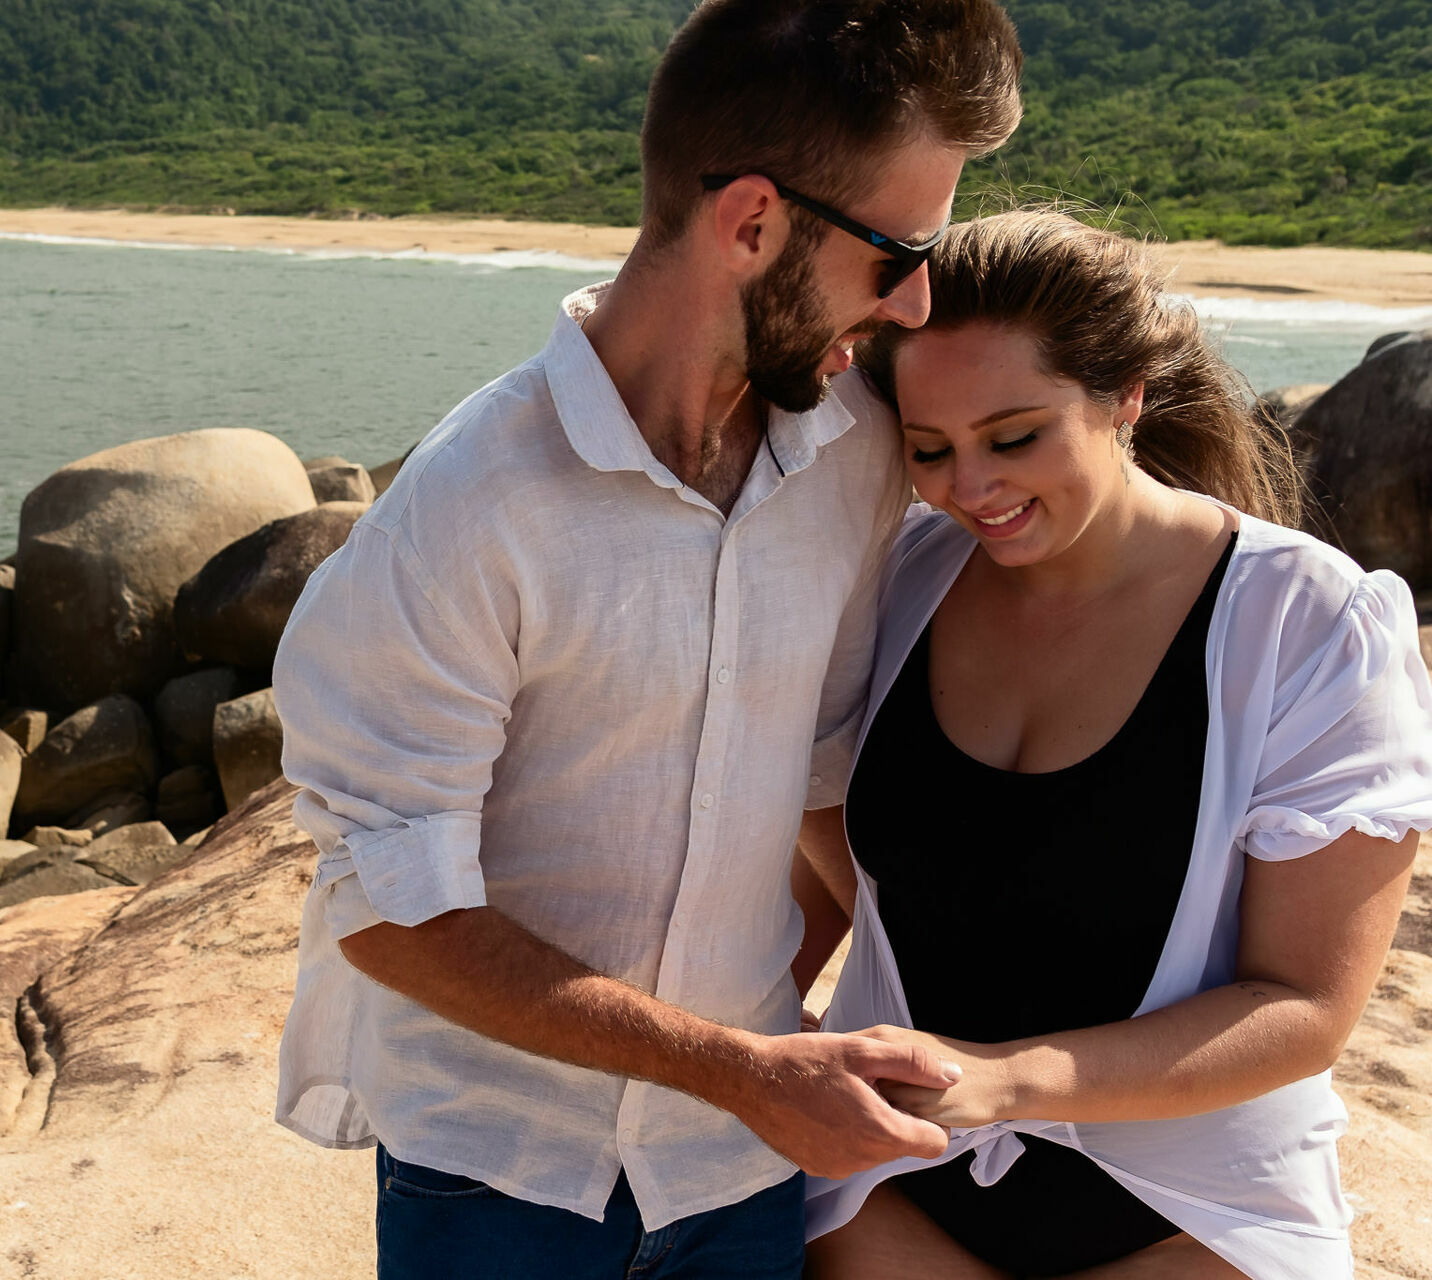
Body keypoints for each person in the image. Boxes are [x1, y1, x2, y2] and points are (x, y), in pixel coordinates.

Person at [269, 1, 1022, 1275]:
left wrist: (976, 1025)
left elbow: (828, 776)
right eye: (899, 251)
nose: (917, 299)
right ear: (750, 224)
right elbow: (392, 913)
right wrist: (743, 1068)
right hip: (495, 1175)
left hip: (742, 1173)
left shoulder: (857, 463)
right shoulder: (464, 512)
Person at [791, 210, 1432, 1279]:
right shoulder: (892, 578)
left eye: (1015, 435)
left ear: (1126, 394)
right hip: (885, 1194)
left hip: (1198, 1222)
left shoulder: (1310, 625)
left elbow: (1306, 1007)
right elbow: (835, 861)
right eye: (930, 450)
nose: (973, 489)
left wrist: (1010, 1076)